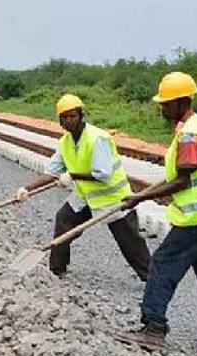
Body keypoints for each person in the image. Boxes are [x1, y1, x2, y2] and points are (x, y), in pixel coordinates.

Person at [115, 72, 197, 351]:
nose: (162, 109)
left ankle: (154, 327)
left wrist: (140, 197)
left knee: (163, 264)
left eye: (166, 104)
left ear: (181, 102)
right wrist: (142, 194)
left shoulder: (189, 134)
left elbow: (182, 180)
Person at [15, 94, 150, 280]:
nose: (69, 121)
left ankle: (152, 279)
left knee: (130, 242)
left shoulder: (97, 139)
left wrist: (73, 175)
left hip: (113, 199)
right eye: (64, 117)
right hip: (86, 197)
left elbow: (103, 174)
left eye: (73, 116)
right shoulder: (65, 142)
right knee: (64, 219)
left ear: (81, 116)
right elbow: (51, 172)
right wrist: (27, 189)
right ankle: (56, 270)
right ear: (60, 121)